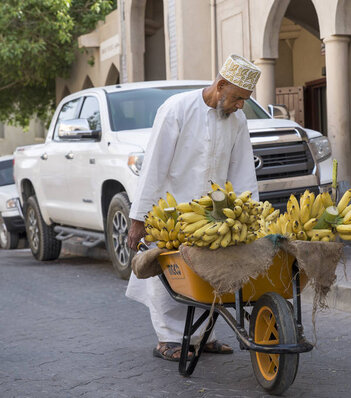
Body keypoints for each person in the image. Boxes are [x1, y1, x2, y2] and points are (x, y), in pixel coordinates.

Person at [126, 54, 261, 360]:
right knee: (171, 274)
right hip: (172, 212)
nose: (241, 105)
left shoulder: (237, 119)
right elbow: (155, 166)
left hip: (215, 216)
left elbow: (242, 171)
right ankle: (168, 339)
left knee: (210, 274)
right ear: (221, 84)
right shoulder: (177, 109)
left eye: (245, 100)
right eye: (238, 98)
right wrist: (139, 217)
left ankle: (203, 336)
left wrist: (250, 213)